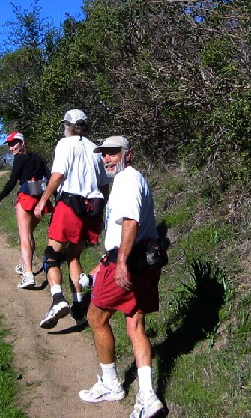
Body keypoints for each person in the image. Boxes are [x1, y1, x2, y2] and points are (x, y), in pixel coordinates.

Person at [78, 135, 166, 418]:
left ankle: (111, 383)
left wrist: (120, 263)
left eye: (113, 153)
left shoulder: (127, 181)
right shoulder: (134, 179)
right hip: (145, 262)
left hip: (128, 261)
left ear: (128, 154)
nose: (107, 158)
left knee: (96, 317)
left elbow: (130, 222)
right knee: (136, 325)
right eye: (104, 154)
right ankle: (147, 396)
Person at [34, 109, 109, 329]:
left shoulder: (64, 144)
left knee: (51, 254)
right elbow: (104, 184)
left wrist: (42, 201)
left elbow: (58, 175)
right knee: (74, 257)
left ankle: (58, 299)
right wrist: (104, 212)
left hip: (70, 204)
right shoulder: (95, 148)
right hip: (93, 208)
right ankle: (78, 306)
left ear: (68, 125)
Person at [0, 131, 52, 289]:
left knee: (24, 235)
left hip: (26, 198)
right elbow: (49, 176)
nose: (12, 147)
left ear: (22, 143)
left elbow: (12, 181)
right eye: (10, 144)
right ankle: (24, 265)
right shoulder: (38, 158)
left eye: (14, 143)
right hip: (40, 199)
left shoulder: (20, 158)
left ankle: (28, 274)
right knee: (29, 234)